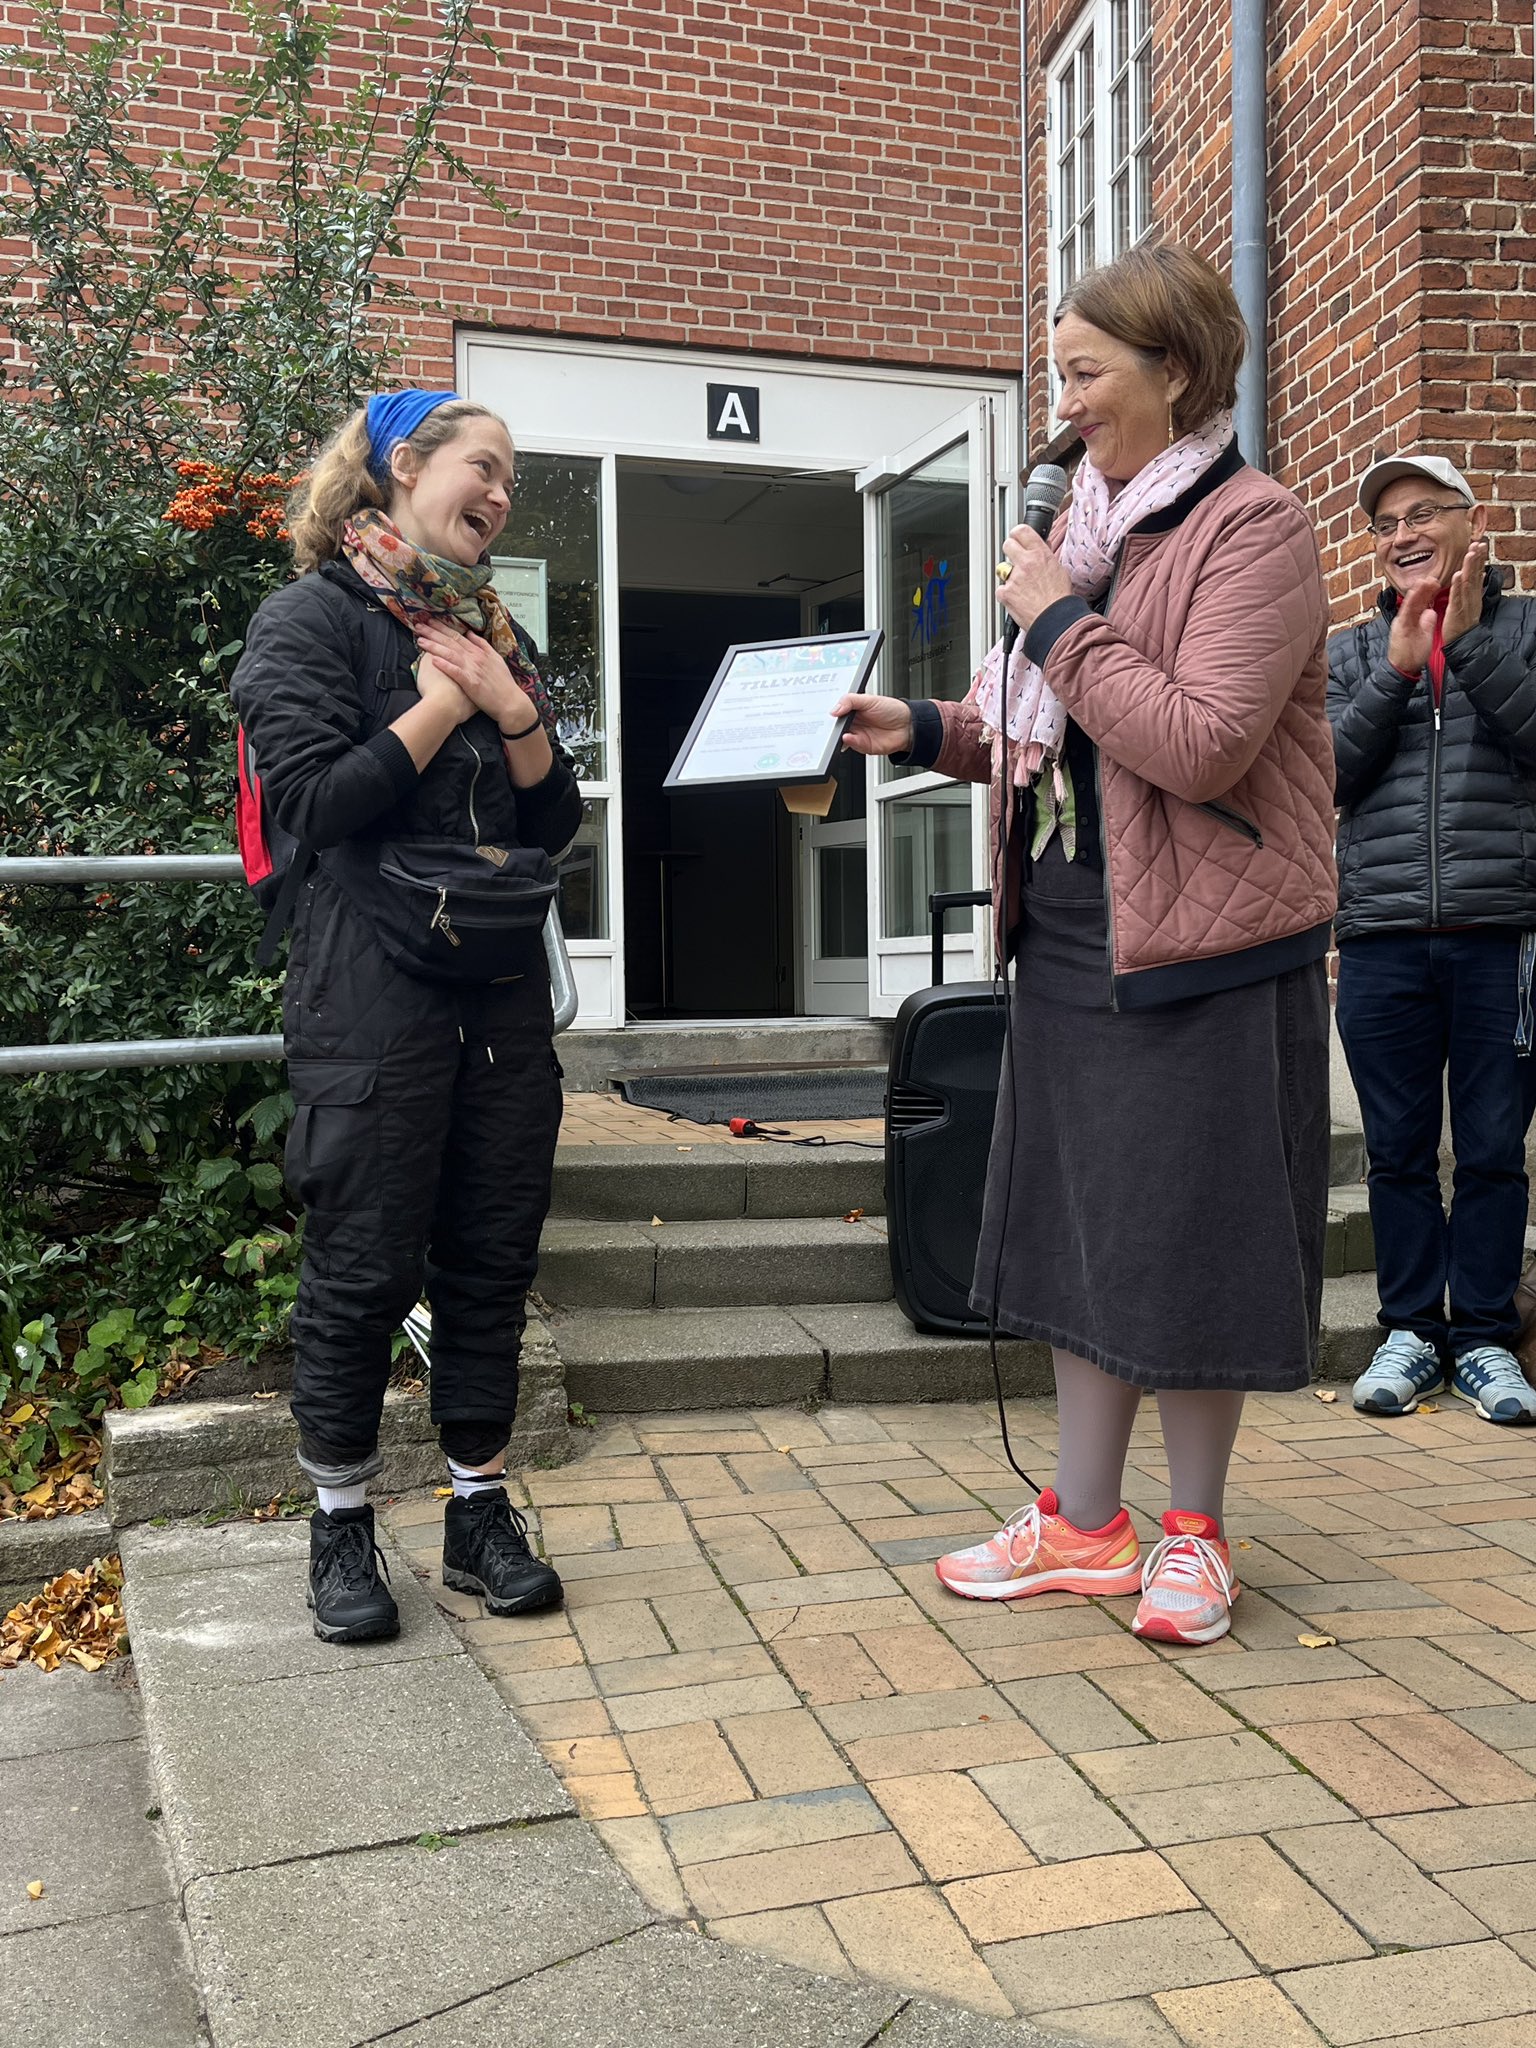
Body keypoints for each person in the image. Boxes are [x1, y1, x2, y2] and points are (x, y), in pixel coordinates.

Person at [835, 244, 1336, 1645]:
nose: (1061, 407)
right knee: (1078, 1230)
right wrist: (928, 730)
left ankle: (1196, 1534)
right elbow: (1051, 726)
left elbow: (1195, 741)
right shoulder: (1094, 529)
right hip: (1067, 930)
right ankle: (1083, 1521)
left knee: (1191, 1235)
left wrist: (1053, 609)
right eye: (1056, 372)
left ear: (1175, 372)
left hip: (1207, 945)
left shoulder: (1256, 527)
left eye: (1085, 373)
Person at [231, 390, 581, 1641]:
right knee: (362, 1264)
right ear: (400, 465)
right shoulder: (310, 619)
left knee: (491, 1254)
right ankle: (338, 1524)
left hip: (498, 1004)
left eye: (510, 481)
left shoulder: (490, 630)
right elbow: (317, 804)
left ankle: (478, 1511)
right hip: (367, 998)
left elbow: (554, 820)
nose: (499, 494)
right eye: (482, 465)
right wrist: (449, 700)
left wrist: (511, 702)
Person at [1330, 453, 1536, 1424]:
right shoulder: (1350, 652)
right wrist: (1400, 674)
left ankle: (1487, 1337)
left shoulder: (1529, 628)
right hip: (1380, 939)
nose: (1402, 533)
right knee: (1398, 1149)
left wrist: (1473, 651)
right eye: (1385, 523)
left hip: (1506, 935)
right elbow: (1321, 775)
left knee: (1494, 1148)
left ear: (1471, 521)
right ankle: (1411, 1329)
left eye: (1422, 513)